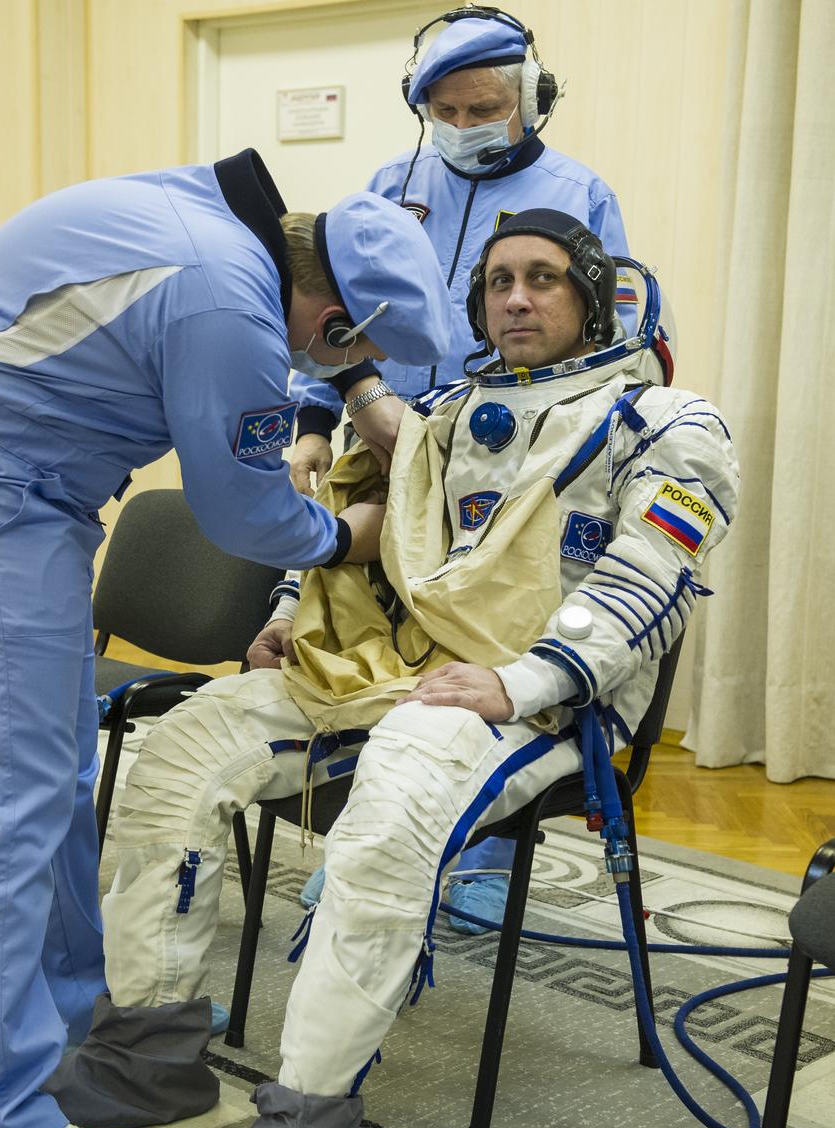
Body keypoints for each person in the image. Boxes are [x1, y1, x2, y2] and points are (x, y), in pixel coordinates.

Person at [44, 209, 738, 1128]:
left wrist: (520, 680)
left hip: (538, 698)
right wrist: (282, 617)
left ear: (591, 297)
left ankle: (305, 1118)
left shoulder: (664, 418)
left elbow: (649, 579)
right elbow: (364, 537)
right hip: (392, 667)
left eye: (543, 278)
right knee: (184, 742)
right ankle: (150, 1047)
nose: (515, 297)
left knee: (395, 798)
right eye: (499, 280)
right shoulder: (447, 416)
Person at [0, 147, 451, 1128]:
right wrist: (350, 536)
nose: (352, 367)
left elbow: (277, 367)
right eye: (355, 349)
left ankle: (58, 1027)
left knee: (46, 787)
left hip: (21, 503)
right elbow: (242, 513)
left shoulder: (200, 222)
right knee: (8, 807)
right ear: (328, 314)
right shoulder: (223, 295)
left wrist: (348, 390)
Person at [287, 5, 634, 924]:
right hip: (386, 447)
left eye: (481, 108)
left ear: (529, 101)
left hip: (511, 458)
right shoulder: (387, 183)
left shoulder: (578, 192)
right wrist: (319, 419)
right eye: (443, 111)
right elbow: (335, 315)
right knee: (381, 645)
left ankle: (480, 844)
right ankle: (378, 836)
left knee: (489, 646)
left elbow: (613, 327)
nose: (462, 128)